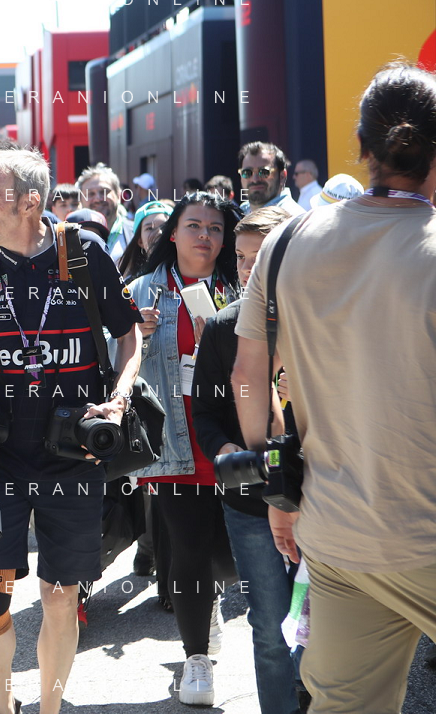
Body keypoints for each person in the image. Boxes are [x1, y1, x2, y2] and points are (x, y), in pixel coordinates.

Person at [233, 63, 436, 714]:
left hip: (337, 537)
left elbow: (246, 377)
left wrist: (277, 490)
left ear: (360, 146)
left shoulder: (286, 241)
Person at [0, 143, 143, 714]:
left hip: (72, 449)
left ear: (30, 202)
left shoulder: (83, 252)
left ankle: (50, 708)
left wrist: (119, 398)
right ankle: (2, 705)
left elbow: (129, 336)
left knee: (59, 597)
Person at [126, 191, 242, 707]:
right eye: (193, 225)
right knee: (190, 548)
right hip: (173, 441)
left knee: (229, 553)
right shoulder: (142, 290)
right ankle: (196, 658)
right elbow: (110, 356)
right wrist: (134, 333)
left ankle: (211, 598)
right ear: (172, 233)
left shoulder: (241, 286)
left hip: (231, 438)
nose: (204, 236)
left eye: (215, 228)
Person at [192, 205, 301, 714]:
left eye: (261, 257)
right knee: (270, 624)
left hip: (323, 497)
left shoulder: (321, 319)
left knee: (325, 622)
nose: (247, 268)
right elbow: (205, 413)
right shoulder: (221, 328)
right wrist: (225, 449)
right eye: (239, 257)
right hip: (250, 499)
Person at [75, 163, 133, 263]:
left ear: (118, 195)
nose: (98, 199)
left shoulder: (136, 233)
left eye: (104, 192)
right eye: (91, 194)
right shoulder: (71, 237)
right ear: (80, 200)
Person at [238, 142, 306, 216]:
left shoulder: (294, 218)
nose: (255, 180)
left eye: (264, 172)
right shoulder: (240, 212)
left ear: (282, 176)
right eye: (247, 172)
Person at [117, 200, 174, 280]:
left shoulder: (189, 272)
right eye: (149, 228)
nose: (159, 232)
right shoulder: (133, 284)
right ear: (140, 241)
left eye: (164, 227)